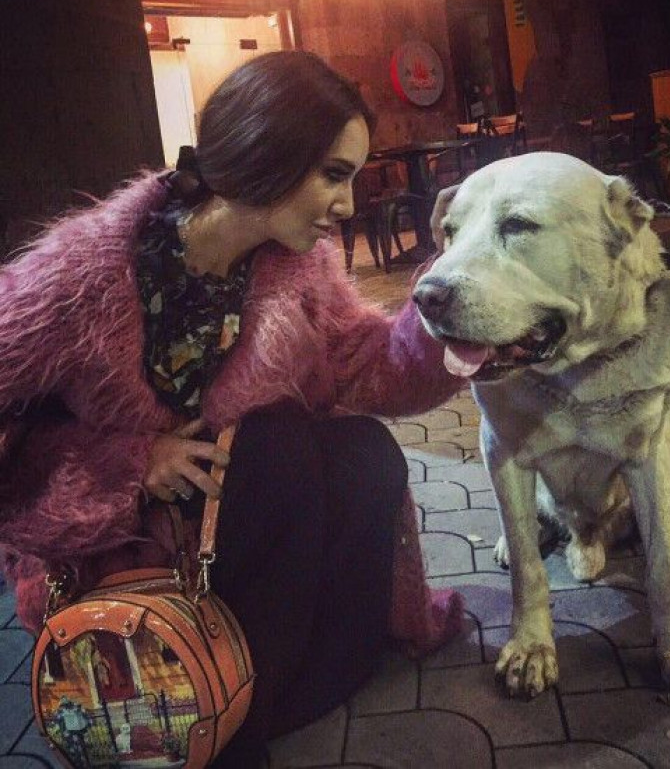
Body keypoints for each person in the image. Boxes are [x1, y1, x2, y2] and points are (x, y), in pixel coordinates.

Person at [0, 51, 465, 760]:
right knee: (275, 443)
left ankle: (241, 695)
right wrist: (131, 462)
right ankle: (209, 715)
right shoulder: (80, 272)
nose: (348, 204)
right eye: (333, 175)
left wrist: (451, 311)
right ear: (264, 154)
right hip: (123, 547)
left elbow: (364, 364)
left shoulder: (298, 264)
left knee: (362, 451)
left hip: (232, 525)